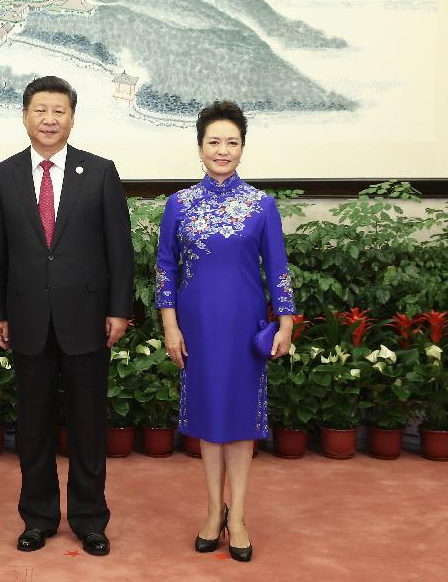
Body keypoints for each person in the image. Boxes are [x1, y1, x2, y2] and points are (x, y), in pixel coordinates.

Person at [0, 75, 134, 557]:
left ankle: (90, 519)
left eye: (59, 111)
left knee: (89, 426)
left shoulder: (101, 171)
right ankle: (39, 516)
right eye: (40, 111)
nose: (50, 120)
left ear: (72, 117)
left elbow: (120, 250)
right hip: (27, 318)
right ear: (25, 116)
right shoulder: (4, 175)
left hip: (88, 318)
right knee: (33, 426)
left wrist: (118, 309)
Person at [155, 100, 295, 563]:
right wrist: (170, 327)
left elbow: (278, 269)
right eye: (213, 141)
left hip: (243, 328)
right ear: (199, 147)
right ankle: (214, 511)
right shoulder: (179, 204)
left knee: (239, 424)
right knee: (208, 423)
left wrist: (287, 322)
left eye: (231, 142)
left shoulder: (261, 204)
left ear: (242, 148)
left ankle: (238, 517)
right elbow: (165, 271)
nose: (222, 150)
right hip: (196, 328)